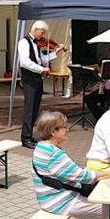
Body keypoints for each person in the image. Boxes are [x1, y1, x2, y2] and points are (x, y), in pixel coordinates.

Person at [18, 20, 66, 149]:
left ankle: (29, 135)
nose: (43, 35)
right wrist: (42, 69)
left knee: (34, 108)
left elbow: (40, 60)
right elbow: (25, 62)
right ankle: (25, 138)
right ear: (36, 30)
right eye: (42, 32)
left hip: (37, 78)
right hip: (29, 79)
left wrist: (55, 52)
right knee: (29, 108)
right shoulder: (24, 42)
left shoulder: (37, 44)